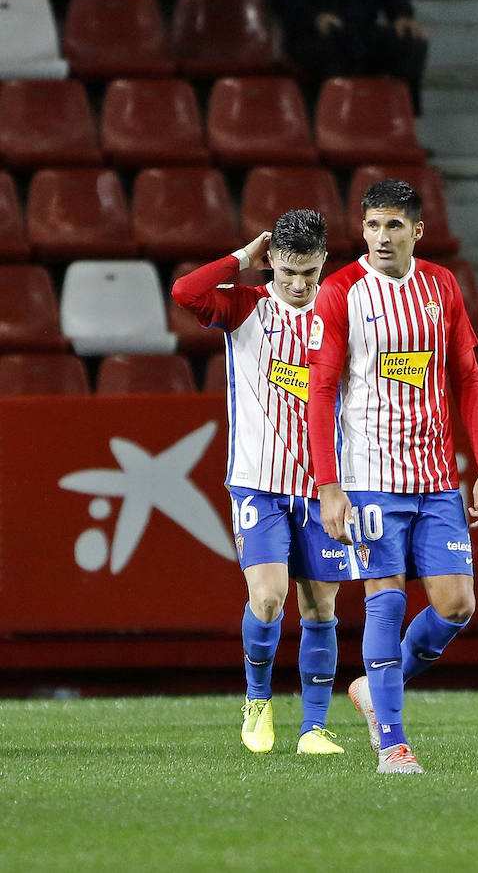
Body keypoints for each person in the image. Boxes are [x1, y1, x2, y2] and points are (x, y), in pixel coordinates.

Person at [306, 179, 478, 774]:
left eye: (394, 225)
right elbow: (320, 387)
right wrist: (328, 483)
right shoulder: (341, 292)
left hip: (437, 474)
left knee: (457, 605)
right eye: (371, 225)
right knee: (384, 604)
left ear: (418, 230)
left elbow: (467, 377)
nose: (381, 237)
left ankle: (372, 687)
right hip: (368, 476)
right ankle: (392, 743)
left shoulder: (442, 287)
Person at [171, 210, 345, 756]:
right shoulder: (246, 308)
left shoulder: (341, 316)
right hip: (258, 484)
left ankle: (314, 728)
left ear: (323, 265)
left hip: (324, 489)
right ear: (272, 261)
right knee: (269, 600)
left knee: (320, 607)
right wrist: (240, 258)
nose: (298, 285)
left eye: (310, 274)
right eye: (289, 272)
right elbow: (184, 292)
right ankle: (257, 701)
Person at [269, 0, 429, 113]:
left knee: (411, 43)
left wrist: (402, 15)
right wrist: (314, 18)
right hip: (313, 35)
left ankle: (399, 118)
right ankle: (338, 121)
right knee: (335, 52)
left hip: (361, 32)